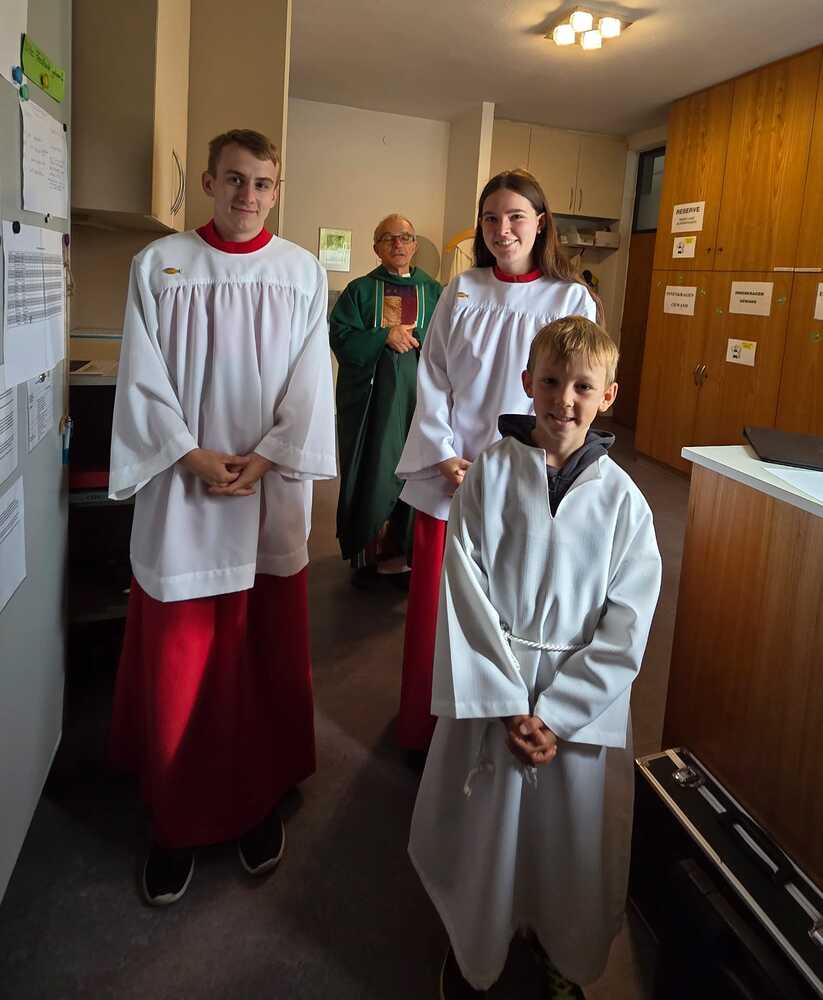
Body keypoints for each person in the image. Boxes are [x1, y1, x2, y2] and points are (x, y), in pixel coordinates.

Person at [108, 129, 336, 905]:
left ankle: (255, 800)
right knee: (182, 664)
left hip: (266, 496)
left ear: (276, 190)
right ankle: (175, 819)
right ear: (207, 182)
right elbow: (140, 377)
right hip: (183, 495)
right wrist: (188, 454)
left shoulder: (300, 271)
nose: (248, 195)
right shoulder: (160, 265)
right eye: (234, 179)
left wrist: (269, 456)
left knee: (258, 658)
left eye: (262, 183)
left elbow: (309, 381)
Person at [409, 315, 662, 998]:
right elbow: (464, 590)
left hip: (578, 711)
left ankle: (561, 952)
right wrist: (504, 703)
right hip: (496, 688)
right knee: (485, 832)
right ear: (527, 382)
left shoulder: (624, 502)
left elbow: (627, 623)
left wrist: (557, 714)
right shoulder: (489, 475)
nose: (563, 400)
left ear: (607, 395)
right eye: (550, 382)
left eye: (582, 386)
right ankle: (476, 946)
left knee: (567, 841)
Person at [395, 169, 598, 754]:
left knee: (507, 613)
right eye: (491, 218)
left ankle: (493, 731)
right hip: (451, 477)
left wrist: (523, 465)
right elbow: (433, 375)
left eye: (515, 217)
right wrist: (443, 455)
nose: (502, 229)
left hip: (525, 478)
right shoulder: (462, 290)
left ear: (541, 223)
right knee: (440, 612)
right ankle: (427, 732)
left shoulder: (569, 299)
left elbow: (573, 391)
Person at [330, 215, 441, 588]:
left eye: (406, 237)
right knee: (376, 469)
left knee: (418, 472)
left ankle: (409, 557)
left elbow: (450, 340)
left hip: (421, 404)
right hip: (374, 406)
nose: (398, 244)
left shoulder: (434, 292)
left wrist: (416, 335)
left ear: (414, 245)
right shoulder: (360, 291)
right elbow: (340, 336)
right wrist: (382, 336)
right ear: (376, 247)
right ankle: (369, 556)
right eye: (389, 238)